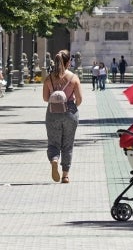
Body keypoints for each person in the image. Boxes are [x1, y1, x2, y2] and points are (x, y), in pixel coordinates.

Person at [43, 49, 83, 184]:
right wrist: (71, 105)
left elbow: (45, 98)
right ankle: (65, 175)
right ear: (68, 62)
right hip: (70, 112)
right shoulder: (73, 78)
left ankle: (54, 160)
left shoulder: (49, 78)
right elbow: (79, 99)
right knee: (68, 144)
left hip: (53, 112)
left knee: (53, 142)